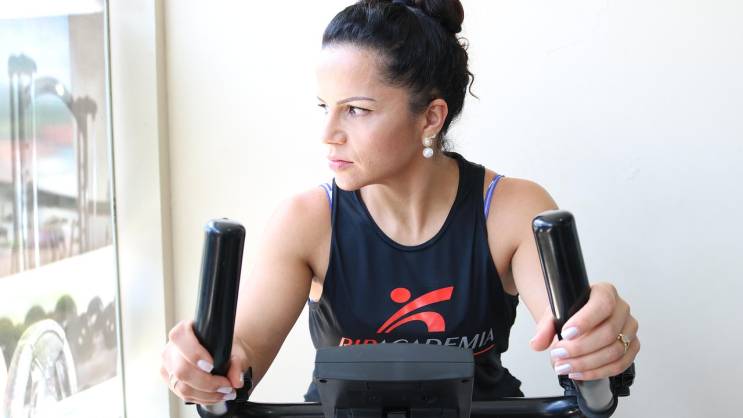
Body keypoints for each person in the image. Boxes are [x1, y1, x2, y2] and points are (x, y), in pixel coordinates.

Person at [160, 0, 640, 405]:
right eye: (325, 108)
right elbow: (242, 350)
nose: (328, 134)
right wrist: (206, 364)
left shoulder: (510, 209)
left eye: (356, 110)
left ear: (430, 118)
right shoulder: (306, 221)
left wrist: (600, 342)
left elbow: (576, 337)